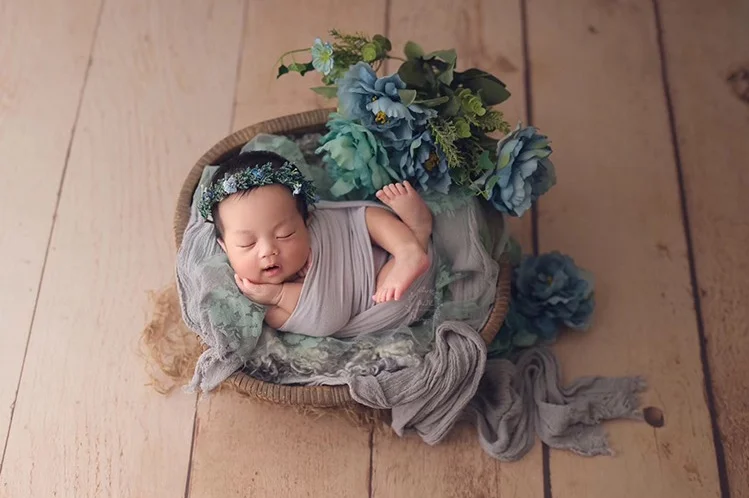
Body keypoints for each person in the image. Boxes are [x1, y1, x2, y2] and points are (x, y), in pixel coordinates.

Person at [198, 150, 433, 331]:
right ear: (225, 247)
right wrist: (278, 295)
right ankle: (419, 234)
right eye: (247, 244)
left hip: (376, 246)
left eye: (285, 234)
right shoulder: (258, 301)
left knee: (366, 218)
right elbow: (326, 320)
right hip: (375, 293)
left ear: (306, 221)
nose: (268, 251)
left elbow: (347, 222)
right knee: (390, 298)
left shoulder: (319, 223)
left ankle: (408, 246)